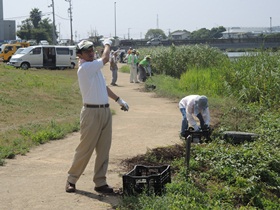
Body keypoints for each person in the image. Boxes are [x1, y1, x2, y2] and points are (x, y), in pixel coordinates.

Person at [65, 39, 129, 194]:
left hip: (105, 111)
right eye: (87, 51)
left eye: (92, 50)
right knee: (85, 148)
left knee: (103, 149)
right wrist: (107, 43)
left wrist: (118, 99)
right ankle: (71, 179)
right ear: (80, 54)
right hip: (91, 112)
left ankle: (100, 182)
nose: (91, 53)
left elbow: (103, 87)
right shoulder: (85, 67)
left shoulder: (94, 68)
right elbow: (106, 58)